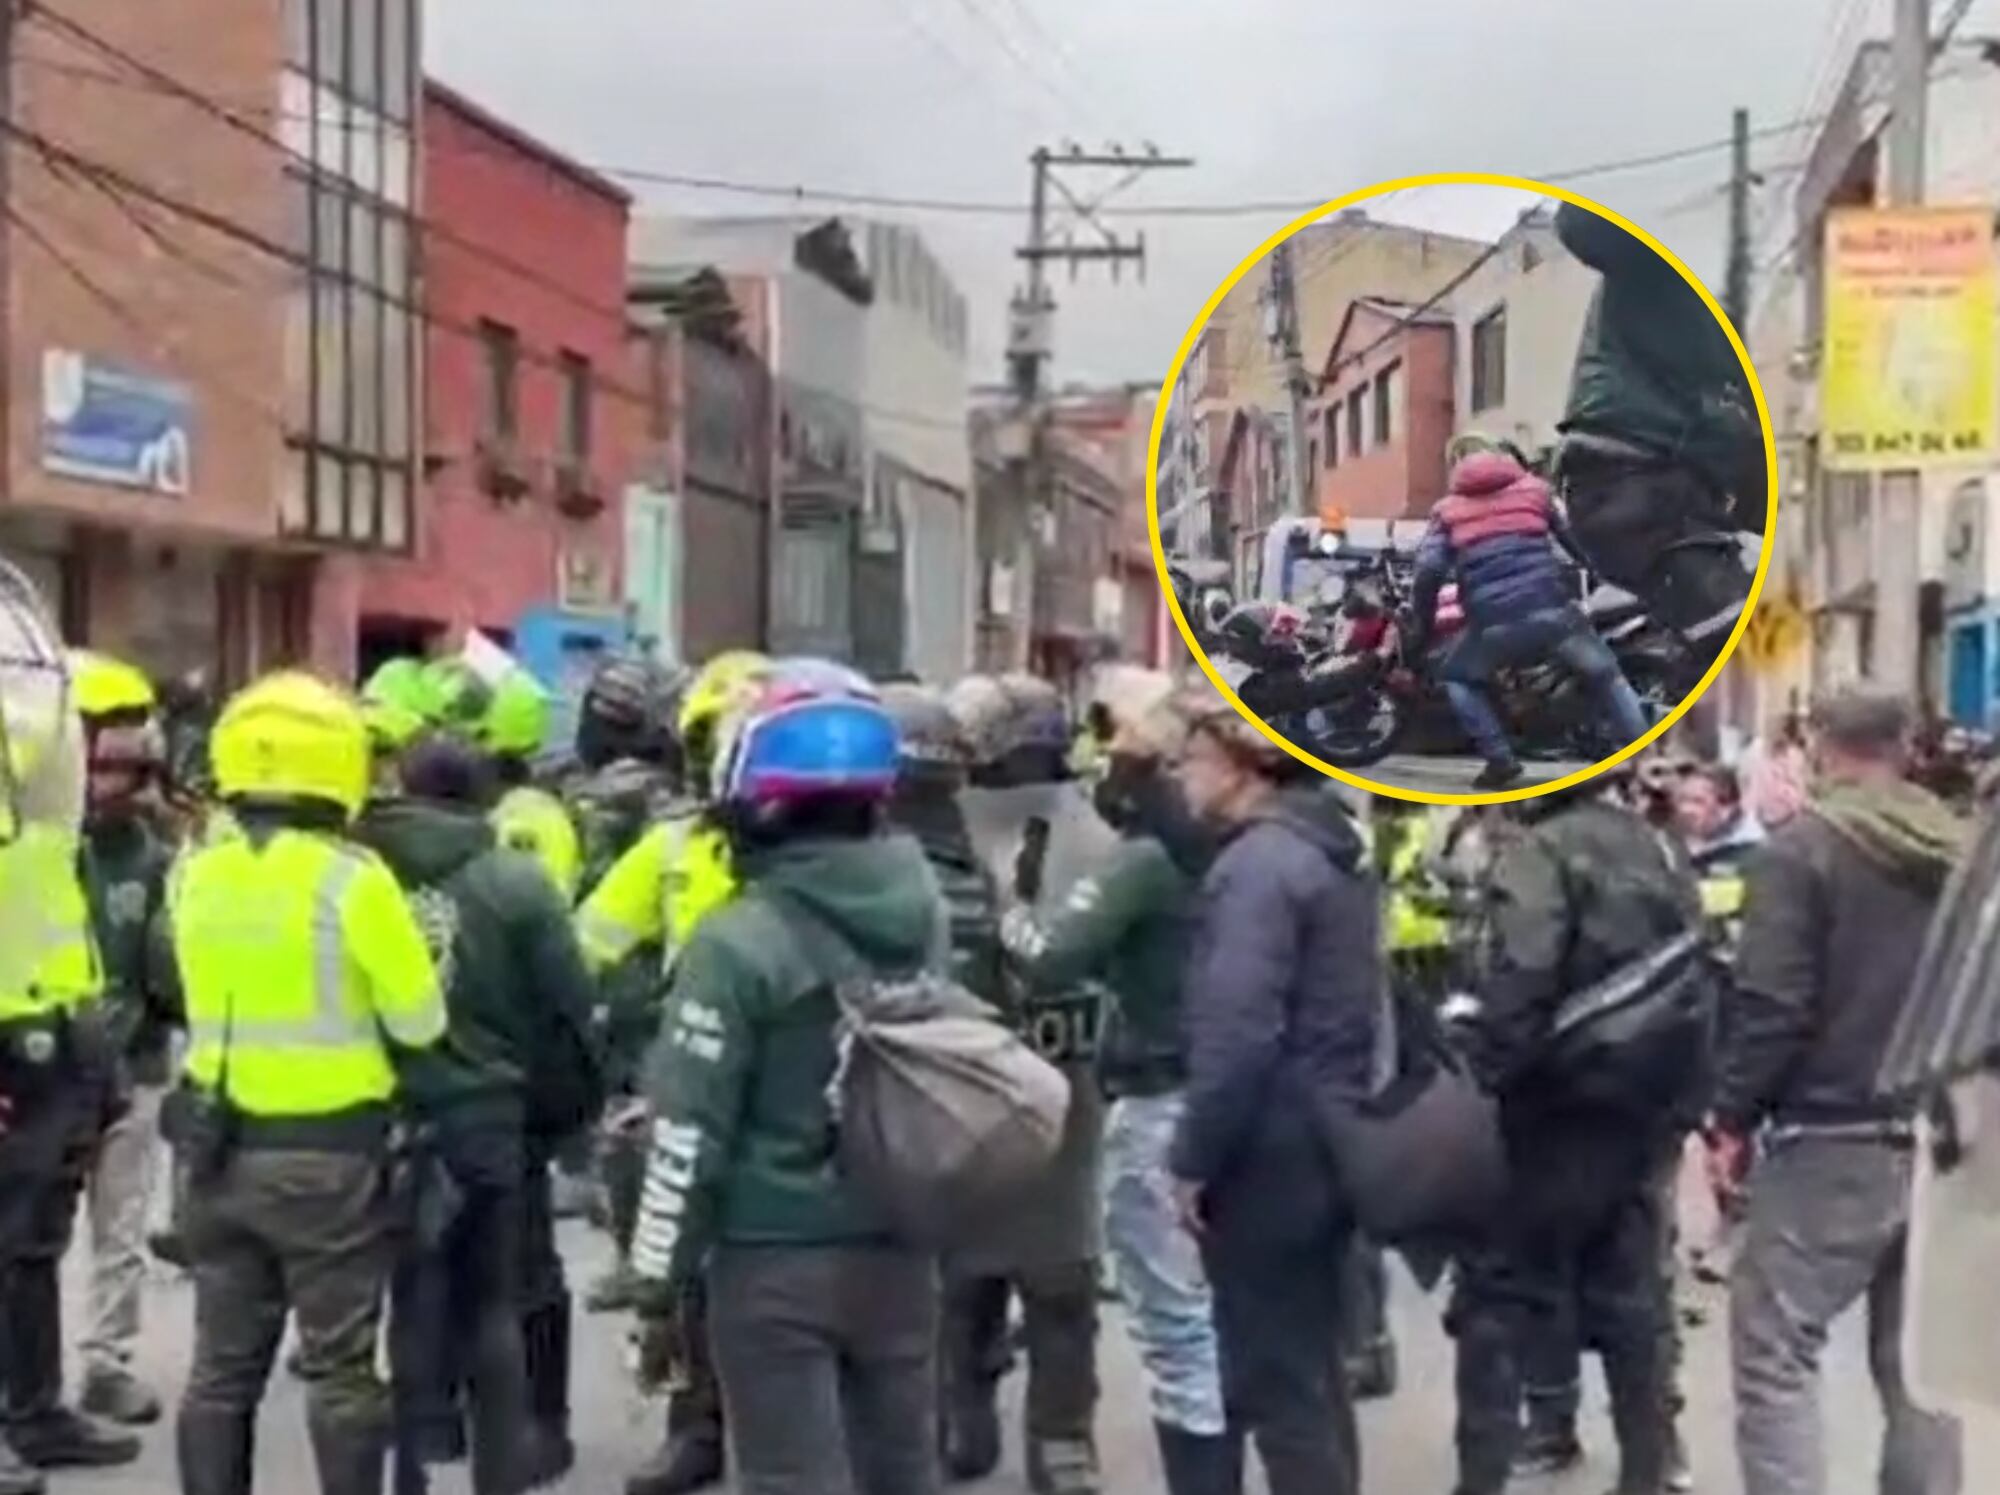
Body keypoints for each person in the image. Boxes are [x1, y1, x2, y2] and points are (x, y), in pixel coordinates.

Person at [627, 665, 944, 1495]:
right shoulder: (925, 915)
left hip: (772, 1263)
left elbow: (686, 1131)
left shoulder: (735, 942)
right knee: (902, 1471)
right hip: (904, 1247)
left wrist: (655, 1281)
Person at [167, 671, 447, 1495]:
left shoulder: (195, 873)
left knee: (220, 1368)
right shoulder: (352, 880)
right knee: (340, 1369)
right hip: (328, 1160)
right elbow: (422, 1022)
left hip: (212, 1152)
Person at [1711, 691, 1964, 1495]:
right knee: (1920, 1367)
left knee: (1775, 1351)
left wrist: (1731, 1118)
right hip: (1952, 1138)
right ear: (1908, 744)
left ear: (1819, 745)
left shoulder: (1802, 851)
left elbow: (1773, 1005)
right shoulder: (1964, 849)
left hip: (1834, 1135)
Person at [998, 670, 1237, 1495]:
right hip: (1241, 1093)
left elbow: (1051, 954)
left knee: (1177, 1325)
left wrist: (1009, 907)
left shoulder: (1145, 863)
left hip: (1163, 1097)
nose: (1107, 767)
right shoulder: (1254, 850)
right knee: (1235, 1317)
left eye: (1125, 754)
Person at [353, 733, 603, 1495]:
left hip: (389, 1111)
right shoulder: (518, 882)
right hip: (497, 1115)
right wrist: (568, 1113)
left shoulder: (363, 875)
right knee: (508, 1288)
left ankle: (421, 1448)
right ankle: (524, 1443)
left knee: (412, 1283)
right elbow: (568, 1009)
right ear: (485, 795)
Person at [1449, 769, 1702, 1495]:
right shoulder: (1657, 846)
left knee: (1496, 1297)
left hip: (1552, 1109)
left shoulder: (1541, 853)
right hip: (1639, 1108)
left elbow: (1524, 976)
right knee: (1631, 1304)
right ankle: (1647, 1471)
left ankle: (1482, 1475)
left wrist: (1486, 1066)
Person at [1168, 705, 1380, 1495]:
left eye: (1193, 757)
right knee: (1314, 1369)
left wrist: (1193, 1158)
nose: (1183, 775)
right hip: (1329, 1137)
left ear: (1245, 768)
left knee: (1279, 1381)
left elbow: (1237, 1031)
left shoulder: (1256, 870)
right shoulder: (1329, 853)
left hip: (1269, 1153)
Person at [580, 650, 767, 1495]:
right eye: (710, 737)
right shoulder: (673, 844)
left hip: (805, 1078)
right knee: (684, 1261)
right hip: (693, 1066)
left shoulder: (856, 855)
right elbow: (588, 941)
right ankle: (694, 1423)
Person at [940, 671, 1108, 1495]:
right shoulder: (937, 826)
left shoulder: (1098, 830)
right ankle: (971, 1411)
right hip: (975, 1065)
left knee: (1054, 1266)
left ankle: (1057, 1432)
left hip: (1059, 1061)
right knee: (974, 1261)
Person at [0, 573, 143, 1494]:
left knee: (31, 1238)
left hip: (55, 1022)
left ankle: (35, 1408)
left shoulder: (49, 832)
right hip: (12, 1028)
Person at [1551, 199, 1764, 668]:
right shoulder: (1659, 272)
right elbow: (1584, 223)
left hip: (1648, 490)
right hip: (1636, 477)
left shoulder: (1731, 349)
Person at [1406, 433, 1652, 789]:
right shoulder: (1535, 491)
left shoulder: (1446, 511)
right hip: (1553, 611)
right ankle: (1646, 758)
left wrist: (1422, 623)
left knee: (1457, 676)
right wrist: (1599, 575)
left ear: (1454, 465)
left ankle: (1502, 763)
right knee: (1607, 676)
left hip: (1493, 625)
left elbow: (1427, 572)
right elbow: (1575, 539)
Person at [72, 652, 182, 1429]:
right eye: (104, 763)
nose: (116, 782)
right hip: (42, 1064)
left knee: (120, 1225)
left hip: (132, 1064)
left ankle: (105, 1360)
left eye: (129, 766)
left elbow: (173, 981)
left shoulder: (161, 860)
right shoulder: (34, 848)